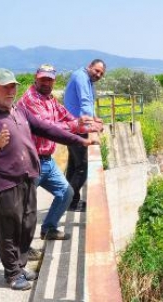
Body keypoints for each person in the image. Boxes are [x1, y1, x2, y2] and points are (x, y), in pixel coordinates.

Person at [0, 68, 97, 291]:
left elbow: (47, 128)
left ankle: (20, 267)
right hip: (4, 183)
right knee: (8, 230)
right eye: (5, 87)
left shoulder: (18, 111)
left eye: (13, 86)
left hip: (27, 177)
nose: (10, 91)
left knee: (27, 225)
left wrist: (79, 140)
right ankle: (12, 274)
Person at [17, 64, 103, 242]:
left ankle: (49, 228)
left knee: (66, 193)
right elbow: (48, 128)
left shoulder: (49, 99)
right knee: (26, 207)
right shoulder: (31, 99)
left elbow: (66, 116)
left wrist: (87, 124)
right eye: (43, 79)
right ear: (36, 78)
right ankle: (21, 248)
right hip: (30, 161)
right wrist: (76, 125)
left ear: (54, 81)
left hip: (46, 160)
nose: (46, 83)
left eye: (49, 79)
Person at [63, 59, 106, 212]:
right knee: (83, 167)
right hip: (77, 128)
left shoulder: (86, 78)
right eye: (97, 70)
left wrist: (94, 117)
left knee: (74, 165)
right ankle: (66, 200)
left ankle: (72, 201)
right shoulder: (81, 77)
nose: (99, 74)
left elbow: (89, 103)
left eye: (101, 73)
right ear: (89, 67)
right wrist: (91, 125)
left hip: (73, 126)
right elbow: (85, 101)